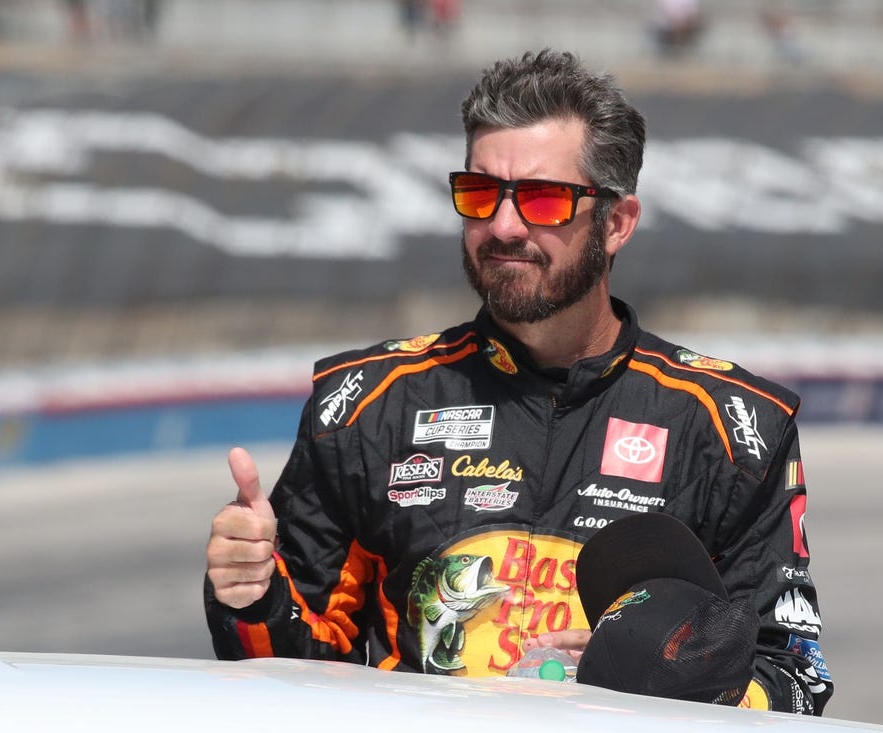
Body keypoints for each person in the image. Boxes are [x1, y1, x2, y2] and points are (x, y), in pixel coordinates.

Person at [204, 48, 833, 715]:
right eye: (480, 194)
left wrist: (661, 674)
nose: (503, 226)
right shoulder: (365, 405)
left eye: (542, 199)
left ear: (616, 222)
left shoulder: (732, 428)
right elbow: (296, 679)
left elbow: (794, 676)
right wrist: (251, 594)